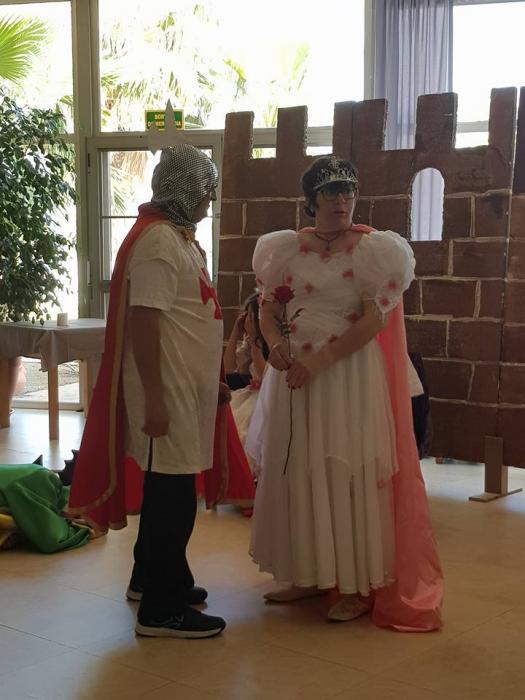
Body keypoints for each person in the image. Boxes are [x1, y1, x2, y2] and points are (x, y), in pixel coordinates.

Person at [246, 155, 443, 630]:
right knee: (298, 466)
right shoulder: (284, 248)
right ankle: (308, 571)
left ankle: (354, 584)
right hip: (293, 375)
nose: (341, 201)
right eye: (331, 192)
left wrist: (321, 360)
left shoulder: (373, 250)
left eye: (347, 192)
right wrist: (274, 345)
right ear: (312, 200)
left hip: (346, 376)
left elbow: (375, 319)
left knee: (345, 468)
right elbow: (268, 308)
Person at [68, 144, 227, 639]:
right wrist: (156, 398)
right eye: (205, 191)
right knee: (172, 500)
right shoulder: (159, 241)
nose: (209, 201)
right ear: (186, 189)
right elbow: (145, 321)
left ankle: (152, 578)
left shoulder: (176, 237)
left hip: (184, 386)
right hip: (168, 390)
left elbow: (189, 315)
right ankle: (162, 609)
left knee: (167, 492)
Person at [224, 294, 268, 475]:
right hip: (248, 394)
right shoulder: (249, 342)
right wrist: (235, 332)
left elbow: (265, 377)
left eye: (251, 316)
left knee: (245, 433)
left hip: (265, 398)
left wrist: (256, 341)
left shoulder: (272, 343)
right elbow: (228, 368)